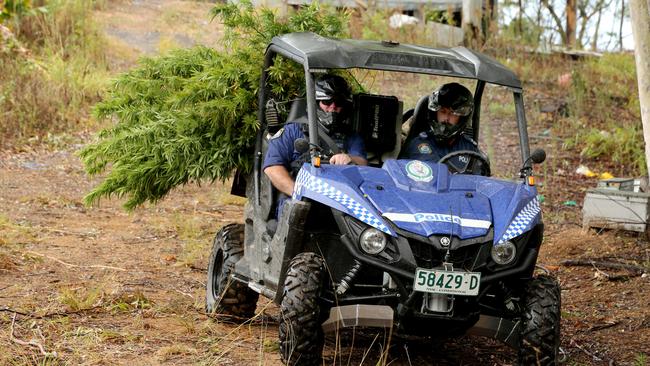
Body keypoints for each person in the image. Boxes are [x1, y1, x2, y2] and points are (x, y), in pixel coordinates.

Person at [263, 75, 367, 216]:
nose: (332, 107)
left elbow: (362, 162)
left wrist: (349, 158)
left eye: (338, 103)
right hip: (297, 201)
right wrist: (298, 192)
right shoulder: (293, 130)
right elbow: (272, 168)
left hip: (340, 202)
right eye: (327, 101)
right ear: (316, 102)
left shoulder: (350, 135)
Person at [399, 82, 480, 170]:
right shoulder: (418, 144)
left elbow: (480, 180)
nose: (446, 118)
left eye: (453, 114)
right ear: (435, 113)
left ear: (462, 118)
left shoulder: (470, 149)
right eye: (443, 112)